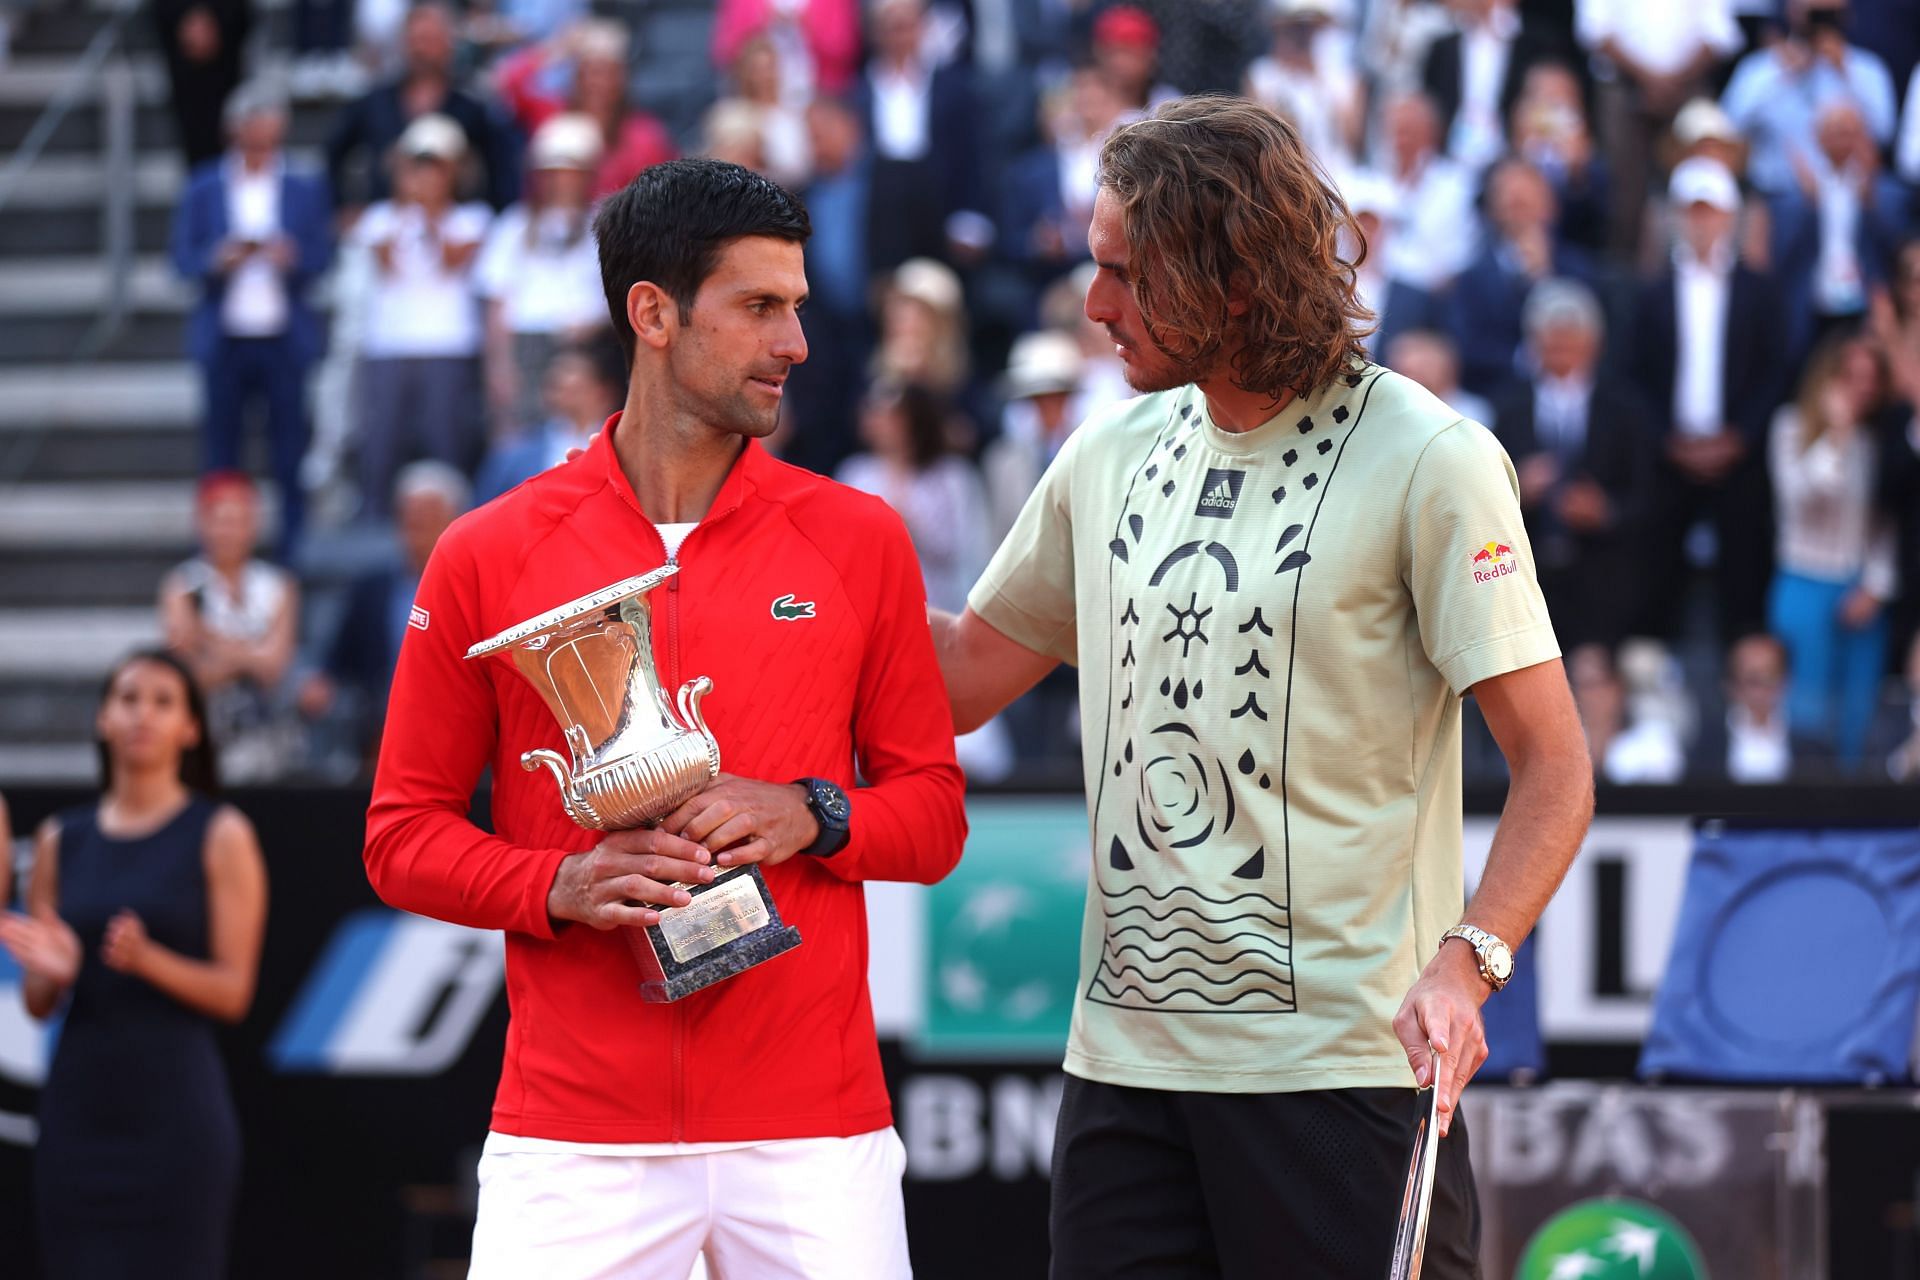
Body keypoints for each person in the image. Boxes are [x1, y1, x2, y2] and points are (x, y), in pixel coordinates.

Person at [929, 97, 1593, 1277]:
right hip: (1121, 1073)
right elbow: (965, 676)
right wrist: (788, 569)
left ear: (1234, 280)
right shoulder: (1105, 450)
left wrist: (1470, 958)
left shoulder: (1433, 458)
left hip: (1342, 1074)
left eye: (1126, 275)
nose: (1095, 307)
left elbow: (1555, 763)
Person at [362, 158, 967, 1278]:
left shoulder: (859, 537)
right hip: (575, 1133)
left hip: (814, 1129)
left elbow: (933, 815)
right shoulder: (489, 550)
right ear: (652, 312)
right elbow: (400, 834)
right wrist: (558, 885)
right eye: (758, 307)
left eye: (795, 306)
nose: (794, 343)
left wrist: (811, 812)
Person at [0, 650, 268, 1279]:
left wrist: (149, 961)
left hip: (177, 1120)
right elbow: (38, 1004)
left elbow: (234, 993)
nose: (142, 714)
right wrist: (56, 970)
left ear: (191, 728)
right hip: (78, 1115)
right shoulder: (59, 839)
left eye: (163, 700)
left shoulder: (221, 833)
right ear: (102, 718)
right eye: (127, 698)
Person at [171, 82, 334, 563]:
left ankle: (293, 554)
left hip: (284, 337)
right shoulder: (205, 185)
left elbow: (323, 256)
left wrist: (292, 257)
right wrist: (218, 259)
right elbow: (181, 259)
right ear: (234, 132)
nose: (260, 144)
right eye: (251, 134)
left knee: (289, 451)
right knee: (221, 454)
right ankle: (219, 549)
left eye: (268, 134)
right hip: (227, 337)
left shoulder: (303, 185)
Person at [1632, 154, 1786, 642]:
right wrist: (1668, 441)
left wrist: (1738, 438)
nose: (1701, 221)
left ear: (1729, 217)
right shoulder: (1650, 292)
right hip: (1669, 458)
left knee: (1742, 576)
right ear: (1676, 215)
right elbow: (1636, 375)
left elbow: (1774, 373)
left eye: (1710, 210)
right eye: (1691, 210)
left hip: (1737, 459)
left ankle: (1741, 681)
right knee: (1659, 576)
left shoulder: (1759, 291)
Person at [1491, 278, 1656, 648]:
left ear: (1594, 344)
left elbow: (1649, 496)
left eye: (1571, 340)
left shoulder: (1627, 409)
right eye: (1552, 339)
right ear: (1534, 342)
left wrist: (1605, 511)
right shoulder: (1507, 407)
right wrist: (1519, 490)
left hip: (1603, 579)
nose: (1562, 349)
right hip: (1527, 579)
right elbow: (1485, 498)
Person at [347, 113, 492, 515]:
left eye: (436, 171)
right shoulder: (381, 218)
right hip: (389, 347)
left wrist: (430, 210)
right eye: (417, 169)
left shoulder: (472, 218)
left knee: (446, 439)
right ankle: (374, 521)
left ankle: (458, 524)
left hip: (448, 345)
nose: (426, 178)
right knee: (382, 441)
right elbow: (387, 262)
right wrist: (410, 202)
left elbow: (452, 262)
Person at [1766, 331, 1896, 768]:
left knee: (1856, 712)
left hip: (1859, 589)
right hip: (1803, 582)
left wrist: (1876, 585)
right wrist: (1835, 435)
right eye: (1850, 377)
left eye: (1869, 378)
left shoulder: (1875, 440)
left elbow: (1883, 521)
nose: (1861, 388)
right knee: (1805, 711)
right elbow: (1803, 496)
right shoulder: (1789, 428)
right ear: (1826, 379)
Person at [299, 460, 469, 772]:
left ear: (455, 522)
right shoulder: (370, 590)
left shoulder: (475, 591)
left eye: (430, 522)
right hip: (382, 731)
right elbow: (338, 660)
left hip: (461, 730)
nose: (418, 535)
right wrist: (322, 682)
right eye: (411, 521)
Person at [160, 472, 303, 783]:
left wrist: (207, 637)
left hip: (269, 740)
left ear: (253, 525)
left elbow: (275, 667)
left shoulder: (279, 585)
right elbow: (189, 674)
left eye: (239, 520)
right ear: (203, 524)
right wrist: (253, 650)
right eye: (220, 520)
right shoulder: (183, 584)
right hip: (203, 742)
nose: (229, 532)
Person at [475, 113, 608, 434]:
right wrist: (499, 365)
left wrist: (596, 324)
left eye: (569, 173)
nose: (560, 182)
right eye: (552, 174)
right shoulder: (514, 225)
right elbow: (496, 302)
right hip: (527, 345)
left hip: (586, 347)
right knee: (522, 434)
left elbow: (618, 295)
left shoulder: (604, 224)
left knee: (582, 435)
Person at [325, 1, 519, 217]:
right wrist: (343, 208)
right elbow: (333, 153)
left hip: (451, 234)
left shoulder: (470, 108)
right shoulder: (374, 103)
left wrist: (488, 218)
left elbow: (501, 168)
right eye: (415, 40)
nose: (422, 49)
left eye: (430, 40)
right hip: (387, 227)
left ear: (449, 44)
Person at [493, 18, 678, 200]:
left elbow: (659, 197)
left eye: (609, 73)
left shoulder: (644, 134)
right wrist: (559, 48)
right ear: (577, 76)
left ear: (624, 78)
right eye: (590, 71)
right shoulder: (551, 116)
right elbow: (509, 82)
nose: (599, 83)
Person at [474, 334, 625, 504]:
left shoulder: (625, 452)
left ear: (603, 392)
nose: (557, 379)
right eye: (554, 376)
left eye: (570, 372)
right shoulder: (514, 454)